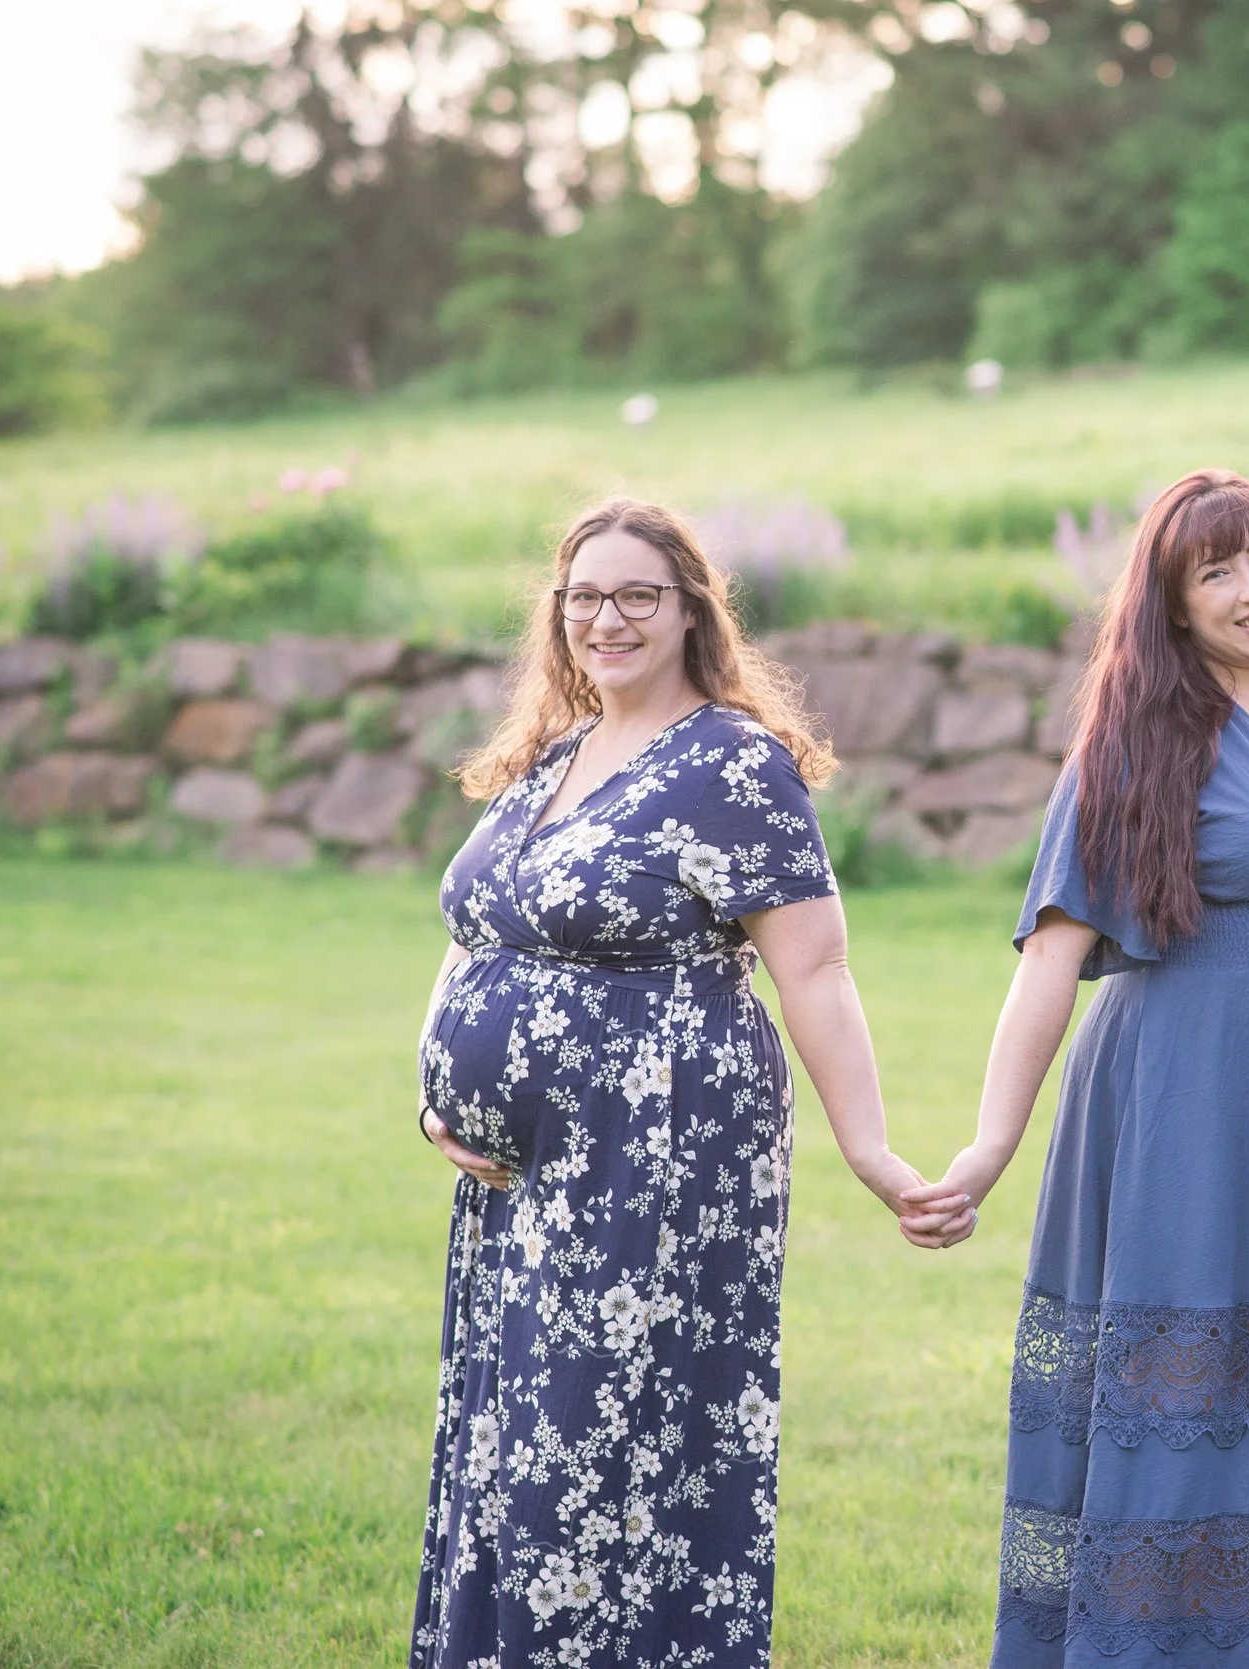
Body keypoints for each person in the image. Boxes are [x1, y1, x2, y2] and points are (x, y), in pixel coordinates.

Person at [902, 471, 1249, 1668]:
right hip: (1193, 1111)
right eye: (1217, 571)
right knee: (1193, 1407)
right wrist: (989, 1146)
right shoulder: (1141, 739)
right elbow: (1051, 957)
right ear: (1175, 603)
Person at [407, 498, 955, 1668]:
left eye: (637, 594)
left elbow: (814, 961)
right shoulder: (553, 755)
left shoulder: (733, 762)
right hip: (519, 1177)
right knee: (513, 1433)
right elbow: (478, 931)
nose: (608, 618)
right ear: (557, 615)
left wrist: (872, 1150)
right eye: (585, 596)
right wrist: (436, 1093)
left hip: (651, 1154)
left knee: (604, 1440)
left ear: (692, 609)